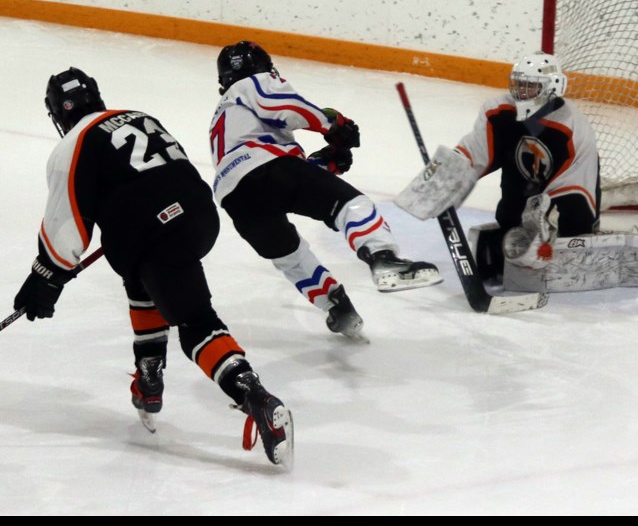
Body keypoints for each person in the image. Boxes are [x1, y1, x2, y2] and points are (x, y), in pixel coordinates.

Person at [12, 68, 293, 468]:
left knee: (195, 321)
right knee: (139, 269)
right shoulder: (137, 116)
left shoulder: (71, 146)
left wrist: (44, 279)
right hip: (198, 213)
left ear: (58, 114)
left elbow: (66, 226)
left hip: (154, 229)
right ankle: (149, 379)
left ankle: (254, 394)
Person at [209, 41, 442, 340]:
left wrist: (323, 163)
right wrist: (332, 124)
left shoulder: (223, 115)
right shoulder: (253, 83)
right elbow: (284, 109)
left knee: (290, 258)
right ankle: (383, 257)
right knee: (352, 205)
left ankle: (338, 309)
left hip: (235, 198)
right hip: (268, 172)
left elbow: (270, 175)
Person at [396, 52, 638, 292]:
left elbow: (577, 190)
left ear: (553, 87)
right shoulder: (498, 111)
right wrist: (446, 174)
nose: (522, 92)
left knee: (571, 230)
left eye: (530, 86)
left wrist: (546, 223)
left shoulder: (573, 129)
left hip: (563, 192)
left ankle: (592, 243)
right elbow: (475, 150)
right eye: (519, 84)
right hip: (521, 182)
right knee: (511, 226)